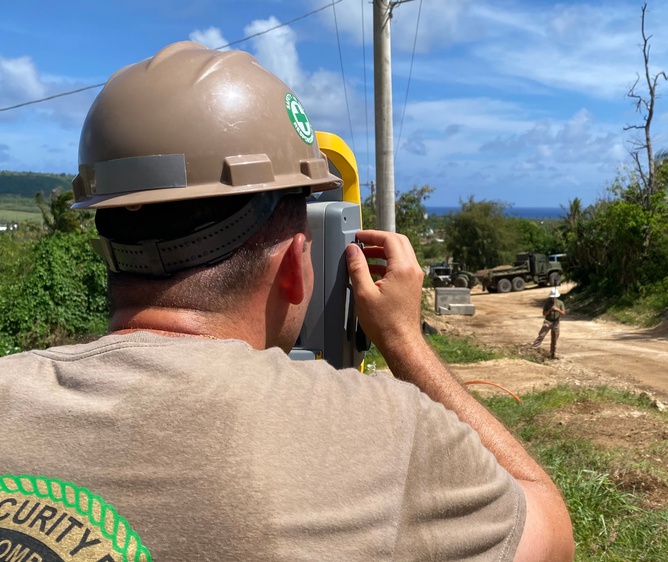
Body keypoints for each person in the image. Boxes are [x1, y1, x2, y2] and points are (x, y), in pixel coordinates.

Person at [0, 42, 573, 561]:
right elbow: (549, 532)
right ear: (297, 267)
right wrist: (403, 339)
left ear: (104, 240)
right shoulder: (383, 432)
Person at [532, 288, 567, 359]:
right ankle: (534, 348)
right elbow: (544, 313)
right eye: (552, 297)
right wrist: (550, 310)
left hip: (556, 322)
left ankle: (552, 352)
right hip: (548, 321)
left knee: (554, 338)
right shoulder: (547, 303)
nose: (553, 299)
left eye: (554, 297)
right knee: (541, 335)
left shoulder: (560, 303)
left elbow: (563, 313)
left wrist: (557, 310)